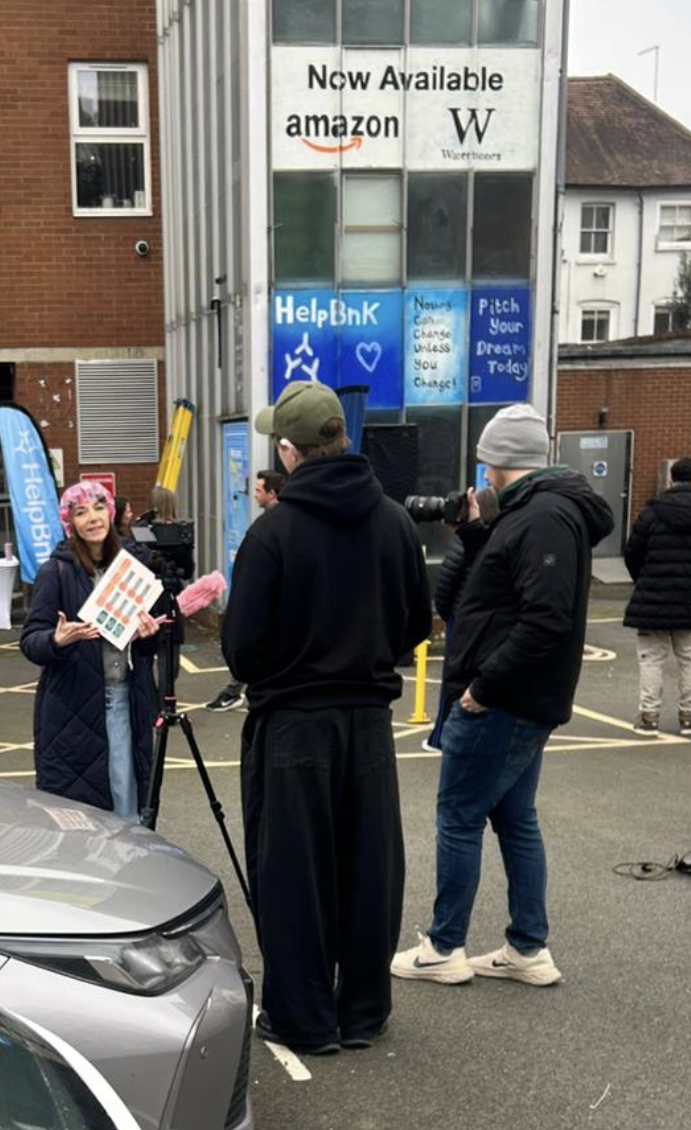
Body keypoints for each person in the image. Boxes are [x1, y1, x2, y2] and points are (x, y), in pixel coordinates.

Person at [221, 381, 431, 1055]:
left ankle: (303, 1016)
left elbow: (243, 648)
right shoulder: (394, 521)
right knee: (369, 867)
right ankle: (364, 1010)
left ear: (288, 451)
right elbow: (410, 625)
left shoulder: (272, 532)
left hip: (293, 724)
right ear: (341, 439)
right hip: (368, 722)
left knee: (293, 873)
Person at [391, 403, 614, 988]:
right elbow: (460, 603)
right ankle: (526, 949)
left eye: (486, 459)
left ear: (498, 459)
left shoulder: (542, 518)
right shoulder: (529, 515)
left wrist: (481, 691)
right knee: (516, 820)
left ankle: (444, 947)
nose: (481, 472)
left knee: (459, 818)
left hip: (502, 700)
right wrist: (474, 532)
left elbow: (546, 619)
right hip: (521, 699)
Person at [20, 481, 160, 820]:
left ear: (111, 513)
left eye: (99, 508)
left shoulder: (134, 567)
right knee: (82, 815)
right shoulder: (56, 571)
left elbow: (149, 643)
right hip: (73, 708)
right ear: (71, 524)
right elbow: (30, 641)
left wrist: (149, 636)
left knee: (130, 806)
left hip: (129, 701)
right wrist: (57, 640)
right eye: (80, 512)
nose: (92, 518)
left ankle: (130, 871)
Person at [423, 488, 499, 753]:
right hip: (486, 620)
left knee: (453, 680)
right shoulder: (500, 537)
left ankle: (441, 736)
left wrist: (447, 615)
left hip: (462, 617)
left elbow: (446, 584)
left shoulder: (465, 539)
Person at [206, 470, 285, 713]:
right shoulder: (275, 523)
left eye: (259, 491)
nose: (254, 496)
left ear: (272, 494)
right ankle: (234, 690)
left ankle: (233, 691)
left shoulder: (272, 526)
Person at [623, 456, 691, 736]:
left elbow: (632, 554)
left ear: (670, 480)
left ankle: (649, 716)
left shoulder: (652, 513)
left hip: (653, 598)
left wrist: (644, 580)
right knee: (689, 657)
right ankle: (689, 718)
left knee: (651, 659)